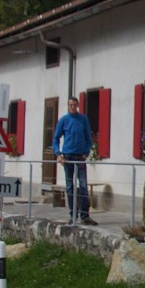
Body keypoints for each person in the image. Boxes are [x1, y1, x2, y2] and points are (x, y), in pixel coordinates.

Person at [52, 97, 97, 226]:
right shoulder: (63, 120)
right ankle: (73, 215)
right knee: (70, 187)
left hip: (80, 157)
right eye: (71, 105)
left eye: (75, 105)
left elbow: (89, 139)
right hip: (68, 157)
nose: (73, 107)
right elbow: (56, 139)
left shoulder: (83, 119)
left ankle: (85, 215)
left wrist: (86, 152)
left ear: (77, 106)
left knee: (83, 186)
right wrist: (58, 154)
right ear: (68, 106)